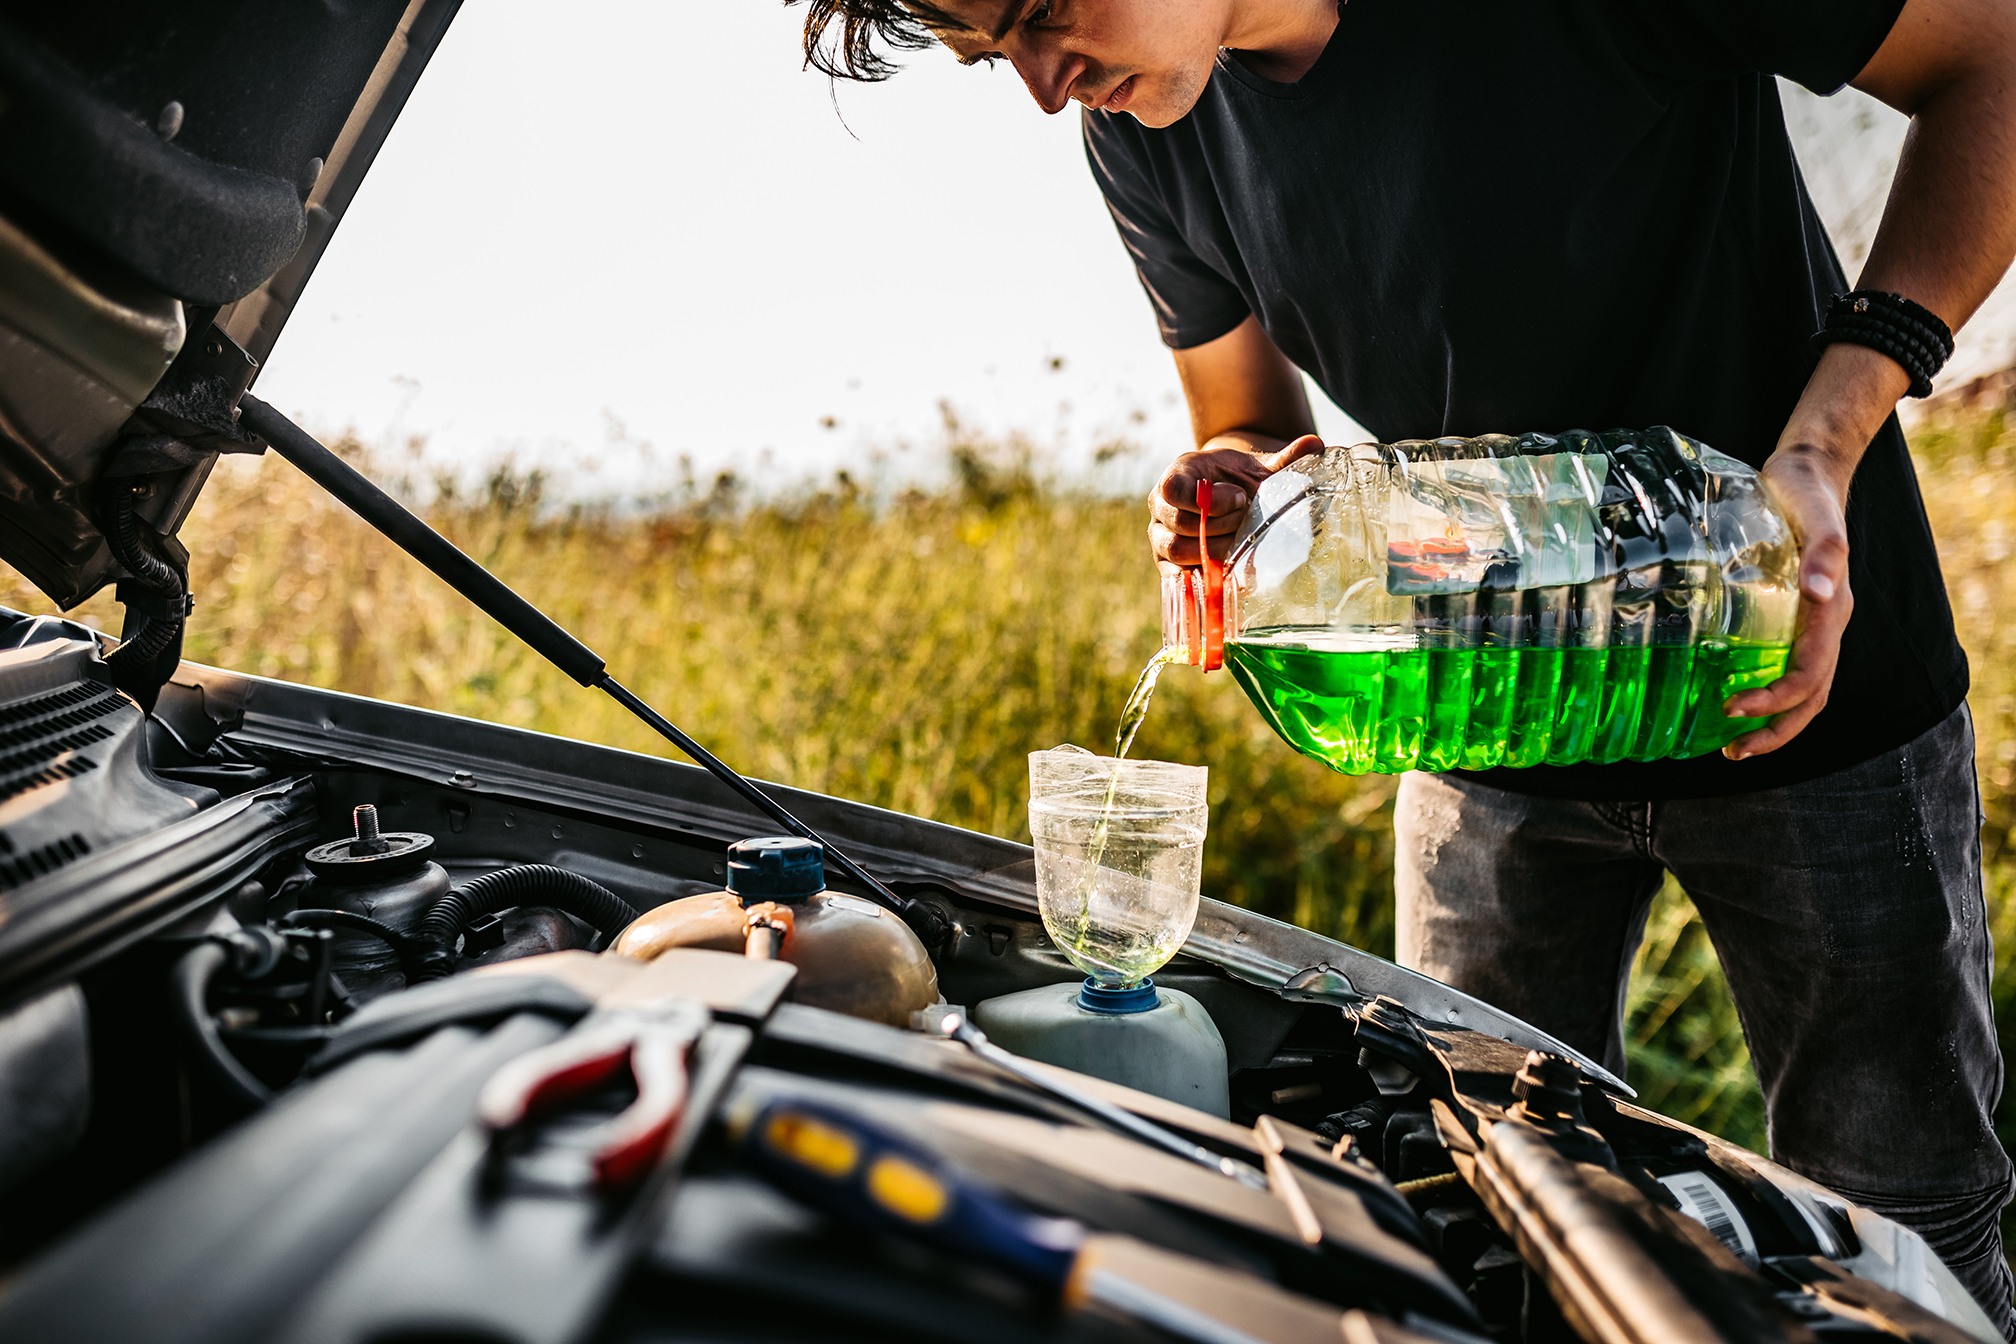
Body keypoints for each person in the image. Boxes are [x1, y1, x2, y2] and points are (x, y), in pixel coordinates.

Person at [789, 0, 2016, 1325]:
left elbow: (1989, 60)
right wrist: (1232, 487)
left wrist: (1828, 438)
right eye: (995, 56)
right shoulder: (1141, 124)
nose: (1042, 86)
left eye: (1040, 12)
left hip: (1800, 683)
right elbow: (1257, 429)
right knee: (1482, 1198)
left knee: (1902, 1220)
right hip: (1484, 718)